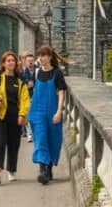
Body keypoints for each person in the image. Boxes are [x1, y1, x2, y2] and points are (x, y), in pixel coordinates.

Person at [0, 51, 30, 185]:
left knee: (14, 145)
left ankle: (11, 170)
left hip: (15, 117)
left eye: (13, 61)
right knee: (0, 144)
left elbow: (25, 100)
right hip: (0, 117)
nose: (11, 62)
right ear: (3, 63)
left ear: (15, 64)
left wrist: (22, 115)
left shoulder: (19, 81)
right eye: (8, 60)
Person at [28, 45, 67, 185]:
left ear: (50, 57)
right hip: (37, 111)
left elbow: (62, 93)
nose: (41, 58)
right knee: (40, 139)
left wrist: (59, 111)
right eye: (40, 55)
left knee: (52, 139)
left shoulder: (57, 73)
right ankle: (42, 171)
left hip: (52, 111)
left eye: (44, 55)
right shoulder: (37, 73)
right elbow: (30, 88)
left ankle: (49, 168)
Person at [19, 52, 36, 142]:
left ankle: (33, 133)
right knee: (29, 116)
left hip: (37, 97)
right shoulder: (22, 73)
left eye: (32, 61)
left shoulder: (38, 72)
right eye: (29, 61)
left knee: (36, 117)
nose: (30, 63)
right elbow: (20, 85)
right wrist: (26, 85)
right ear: (25, 62)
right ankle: (30, 135)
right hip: (27, 97)